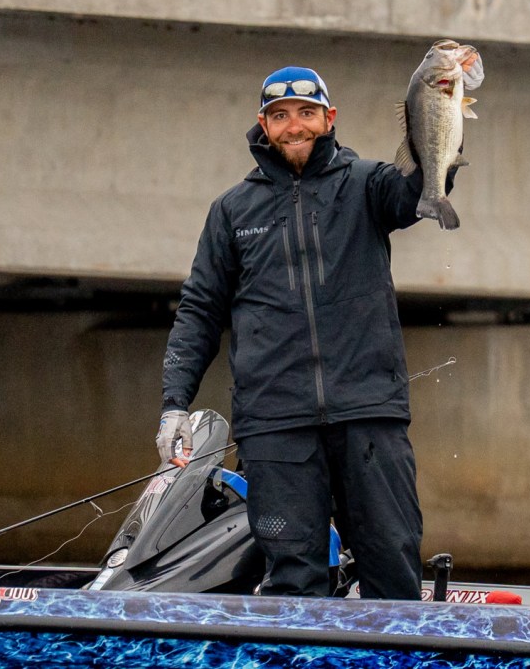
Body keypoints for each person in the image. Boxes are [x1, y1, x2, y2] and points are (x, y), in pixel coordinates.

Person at [155, 64, 458, 600]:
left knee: (392, 566)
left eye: (306, 113)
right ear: (264, 125)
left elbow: (418, 190)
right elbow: (199, 310)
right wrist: (174, 404)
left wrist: (439, 112)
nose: (294, 126)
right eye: (280, 116)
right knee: (294, 580)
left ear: (329, 118)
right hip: (275, 426)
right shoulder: (231, 211)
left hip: (368, 415)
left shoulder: (368, 184)